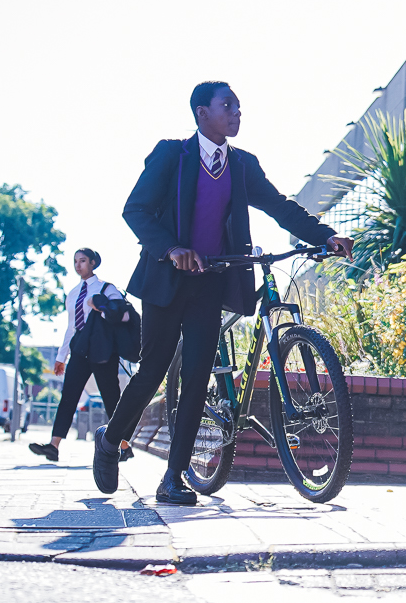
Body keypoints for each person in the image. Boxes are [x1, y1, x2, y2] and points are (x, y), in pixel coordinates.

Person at [90, 81, 351, 504]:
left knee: (196, 375)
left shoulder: (242, 165)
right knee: (153, 369)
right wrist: (172, 249)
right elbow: (134, 209)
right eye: (226, 105)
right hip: (166, 279)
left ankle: (173, 477)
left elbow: (281, 206)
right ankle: (110, 438)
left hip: (211, 280)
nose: (236, 113)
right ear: (201, 113)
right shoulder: (171, 155)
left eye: (239, 107)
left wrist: (326, 235)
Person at [28, 247, 133, 463]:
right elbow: (70, 327)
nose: (78, 265)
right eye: (75, 261)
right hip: (80, 348)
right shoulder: (73, 294)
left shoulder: (106, 288)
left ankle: (124, 445)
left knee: (110, 397)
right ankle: (53, 446)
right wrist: (61, 357)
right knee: (68, 396)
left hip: (103, 348)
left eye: (83, 261)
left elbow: (121, 314)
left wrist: (100, 307)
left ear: (93, 263)